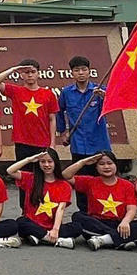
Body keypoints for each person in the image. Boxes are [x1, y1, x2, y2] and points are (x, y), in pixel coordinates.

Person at [62, 151, 137, 250]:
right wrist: (83, 162)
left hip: (120, 224)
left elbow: (132, 208)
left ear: (116, 165)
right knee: (78, 216)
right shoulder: (90, 181)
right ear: (96, 167)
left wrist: (125, 222)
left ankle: (103, 240)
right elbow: (65, 175)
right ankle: (120, 240)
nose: (106, 167)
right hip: (96, 223)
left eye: (109, 163)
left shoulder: (127, 185)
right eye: (101, 164)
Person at [57, 56, 112, 209]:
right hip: (78, 144)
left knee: (101, 181)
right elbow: (59, 112)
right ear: (71, 73)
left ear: (89, 72)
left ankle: (102, 211)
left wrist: (104, 96)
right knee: (81, 181)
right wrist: (62, 132)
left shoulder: (99, 90)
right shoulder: (67, 93)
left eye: (84, 70)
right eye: (77, 70)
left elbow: (113, 104)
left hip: (99, 144)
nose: (81, 73)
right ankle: (83, 212)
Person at [1, 149, 81, 249]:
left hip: (52, 226)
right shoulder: (31, 178)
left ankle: (39, 237)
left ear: (55, 162)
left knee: (77, 227)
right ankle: (55, 240)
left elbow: (61, 209)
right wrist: (30, 159)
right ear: (38, 163)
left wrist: (55, 230)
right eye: (43, 161)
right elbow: (10, 171)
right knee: (21, 222)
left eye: (50, 161)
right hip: (32, 223)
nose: (46, 165)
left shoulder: (64, 185)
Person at [0, 61, 58, 161]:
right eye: (26, 72)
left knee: (41, 174)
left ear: (38, 73)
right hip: (22, 142)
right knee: (24, 174)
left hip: (43, 142)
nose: (30, 75)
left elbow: (52, 120)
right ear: (21, 75)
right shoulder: (16, 91)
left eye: (33, 72)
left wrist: (52, 144)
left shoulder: (48, 94)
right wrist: (13, 69)